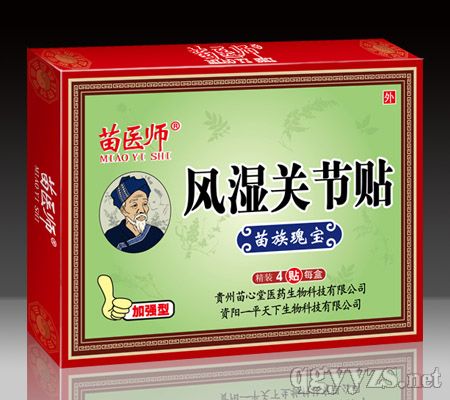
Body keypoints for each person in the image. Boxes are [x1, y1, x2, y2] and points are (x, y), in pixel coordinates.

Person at [105, 176, 164, 253]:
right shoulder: (112, 236)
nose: (142, 210)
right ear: (123, 210)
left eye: (145, 204)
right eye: (134, 205)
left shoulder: (156, 233)